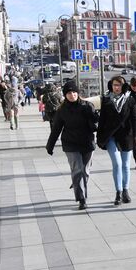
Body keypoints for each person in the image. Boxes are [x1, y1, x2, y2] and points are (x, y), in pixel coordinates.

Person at [46, 81, 98, 210]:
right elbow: (56, 129)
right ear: (65, 95)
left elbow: (97, 123)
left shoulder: (87, 106)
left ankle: (77, 184)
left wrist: (93, 116)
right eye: (69, 93)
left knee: (85, 171)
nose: (72, 95)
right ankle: (81, 198)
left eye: (74, 92)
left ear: (78, 93)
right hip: (71, 144)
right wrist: (50, 145)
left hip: (87, 143)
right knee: (77, 170)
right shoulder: (62, 110)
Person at [97, 76, 136, 206]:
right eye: (114, 85)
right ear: (111, 85)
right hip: (111, 136)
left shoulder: (129, 100)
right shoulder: (106, 100)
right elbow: (102, 120)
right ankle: (118, 192)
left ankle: (126, 190)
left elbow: (135, 119)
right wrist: (99, 137)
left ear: (123, 86)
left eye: (119, 85)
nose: (116, 87)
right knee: (117, 163)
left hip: (127, 136)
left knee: (126, 165)